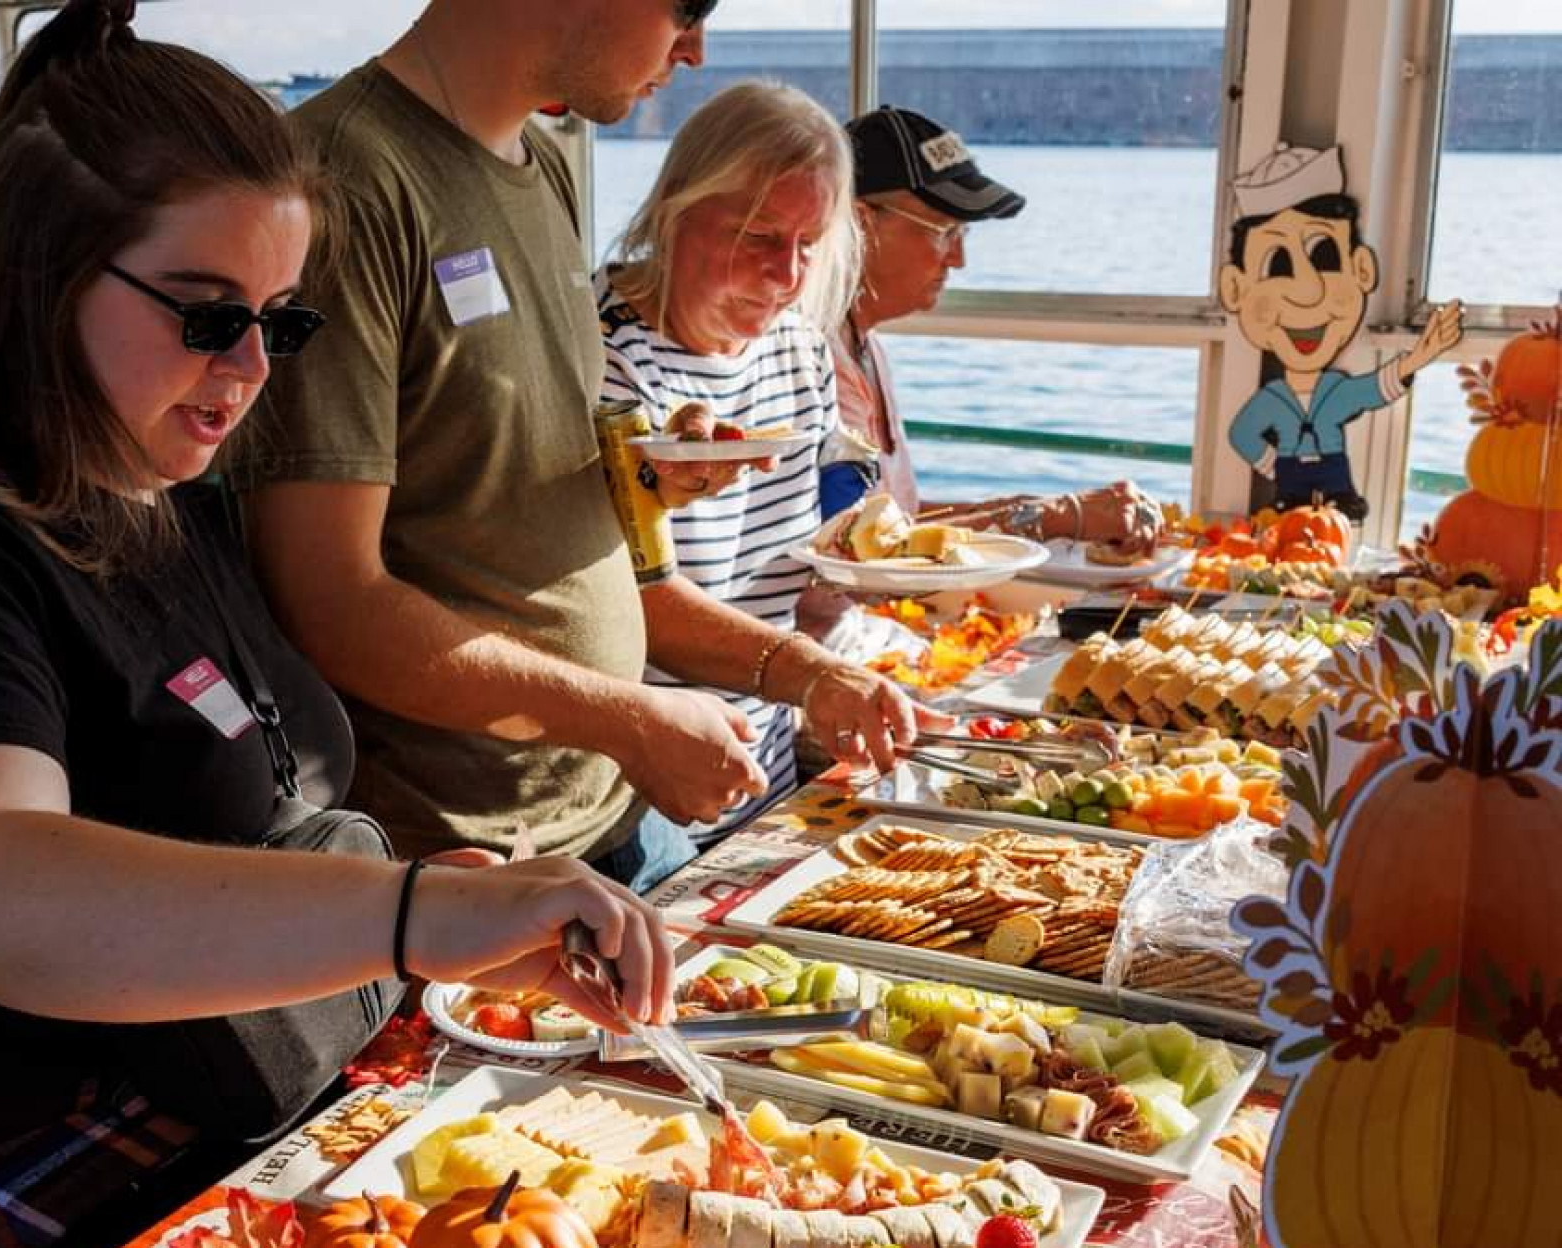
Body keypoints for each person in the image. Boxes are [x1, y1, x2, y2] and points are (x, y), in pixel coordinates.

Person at [0, 5, 674, 1248]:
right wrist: (411, 913)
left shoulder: (159, 494)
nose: (253, 369)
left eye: (281, 319)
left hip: (184, 1203)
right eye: (211, 318)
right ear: (39, 273)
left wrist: (429, 920)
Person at [238, 0, 929, 887]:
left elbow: (534, 483)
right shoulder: (344, 181)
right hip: (462, 854)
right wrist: (630, 719)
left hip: (617, 815)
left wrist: (651, 471)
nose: (696, 47)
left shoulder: (545, 166)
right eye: (689, 7)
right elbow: (328, 597)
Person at [597, 82, 933, 842]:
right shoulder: (606, 355)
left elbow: (820, 548)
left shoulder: (799, 350)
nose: (787, 274)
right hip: (642, 795)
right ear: (678, 207)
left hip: (766, 771)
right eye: (758, 236)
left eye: (808, 244)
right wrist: (816, 675)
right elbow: (633, 604)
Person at [827, 106, 1162, 549]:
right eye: (945, 231)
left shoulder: (866, 345)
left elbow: (895, 518)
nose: (958, 259)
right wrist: (1057, 518)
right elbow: (863, 550)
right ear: (861, 223)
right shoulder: (819, 362)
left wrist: (1039, 507)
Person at [1218, 144, 1461, 520]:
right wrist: (1275, 467)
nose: (1308, 290)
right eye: (1277, 265)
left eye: (1326, 257)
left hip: (1333, 479)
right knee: (1287, 517)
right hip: (1290, 485)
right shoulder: (1272, 399)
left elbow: (1378, 387)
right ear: (1235, 288)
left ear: (1362, 269)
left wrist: (1420, 356)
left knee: (1340, 509)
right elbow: (1241, 434)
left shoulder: (1336, 392)